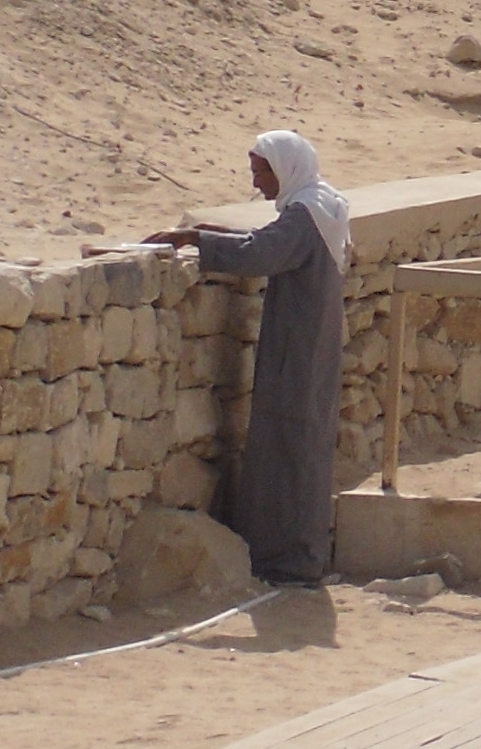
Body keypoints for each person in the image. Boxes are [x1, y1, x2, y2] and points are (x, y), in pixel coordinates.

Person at [147, 130, 349, 583]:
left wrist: (193, 238)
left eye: (263, 172)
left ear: (286, 169)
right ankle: (297, 555)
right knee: (302, 447)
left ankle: (287, 561)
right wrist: (215, 235)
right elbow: (273, 240)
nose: (257, 184)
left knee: (288, 448)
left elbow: (262, 253)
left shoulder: (306, 215)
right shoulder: (322, 205)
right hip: (311, 344)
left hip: (296, 351)